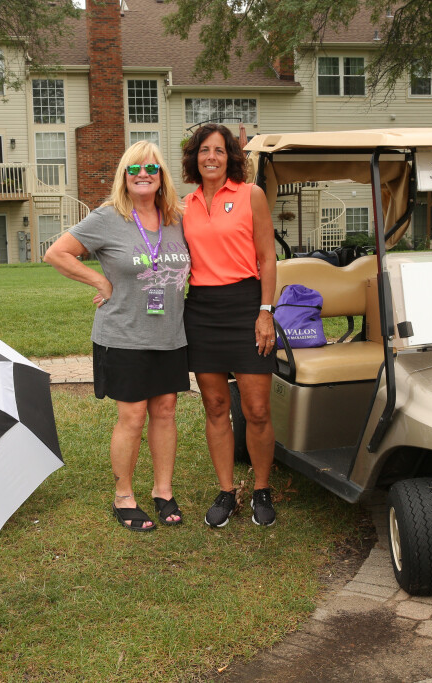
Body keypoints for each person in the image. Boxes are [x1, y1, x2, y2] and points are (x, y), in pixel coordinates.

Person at [44, 141, 190, 532]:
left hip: (170, 335)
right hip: (123, 335)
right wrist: (98, 279)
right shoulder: (108, 217)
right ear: (123, 176)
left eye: (152, 169)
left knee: (165, 411)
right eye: (134, 169)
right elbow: (57, 253)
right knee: (133, 415)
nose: (143, 175)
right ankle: (123, 495)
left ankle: (163, 491)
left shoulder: (177, 218)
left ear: (162, 177)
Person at [181, 123, 278, 528]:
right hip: (202, 310)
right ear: (194, 157)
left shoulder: (250, 195)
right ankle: (226, 490)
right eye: (205, 150)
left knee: (256, 409)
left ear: (231, 157)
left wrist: (265, 311)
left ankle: (261, 490)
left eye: (219, 150)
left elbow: (268, 258)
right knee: (216, 406)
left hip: (245, 306)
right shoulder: (182, 204)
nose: (211, 157)